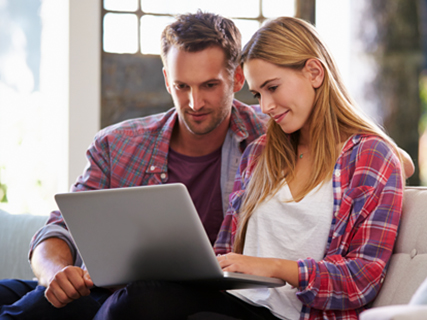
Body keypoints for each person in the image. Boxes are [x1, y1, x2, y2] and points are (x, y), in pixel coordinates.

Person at [94, 16, 406, 320]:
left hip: (296, 314)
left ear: (314, 72)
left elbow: (361, 279)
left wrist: (273, 267)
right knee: (134, 296)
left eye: (273, 87)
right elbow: (226, 252)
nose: (266, 106)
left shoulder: (369, 156)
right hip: (235, 303)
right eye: (258, 94)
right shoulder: (260, 153)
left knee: (139, 303)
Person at [0, 11, 267, 320]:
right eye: (182, 86)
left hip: (186, 300)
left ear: (236, 78)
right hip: (105, 290)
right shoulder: (118, 144)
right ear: (167, 79)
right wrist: (57, 273)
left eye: (209, 85)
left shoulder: (270, 141)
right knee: (30, 300)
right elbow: (60, 229)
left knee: (138, 299)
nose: (194, 103)